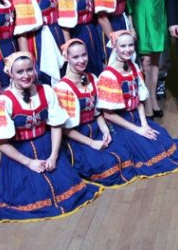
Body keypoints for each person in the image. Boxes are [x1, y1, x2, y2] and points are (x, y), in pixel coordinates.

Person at [0, 52, 102, 221]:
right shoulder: (4, 101)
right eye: (20, 72)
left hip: (46, 145)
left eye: (29, 70)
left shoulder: (46, 91)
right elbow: (1, 143)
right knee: (33, 191)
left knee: (65, 184)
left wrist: (54, 156)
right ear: (10, 74)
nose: (26, 75)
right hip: (18, 153)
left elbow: (56, 126)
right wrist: (29, 163)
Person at [97, 30, 178, 176]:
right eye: (123, 46)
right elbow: (109, 115)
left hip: (134, 117)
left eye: (131, 45)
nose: (128, 49)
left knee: (160, 139)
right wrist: (137, 129)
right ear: (115, 47)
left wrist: (144, 124)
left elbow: (139, 101)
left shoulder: (134, 68)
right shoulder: (108, 76)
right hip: (119, 123)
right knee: (147, 151)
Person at [54, 39, 135, 186]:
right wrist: (91, 143)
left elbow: (97, 113)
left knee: (124, 156)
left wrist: (105, 131)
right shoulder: (62, 88)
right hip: (78, 136)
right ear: (67, 58)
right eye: (76, 57)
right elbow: (65, 129)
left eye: (84, 55)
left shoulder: (93, 78)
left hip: (97, 129)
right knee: (105, 166)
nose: (82, 60)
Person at [125, 0, 168, 117]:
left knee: (157, 57)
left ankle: (154, 98)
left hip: (160, 13)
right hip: (141, 13)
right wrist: (131, 23)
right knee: (146, 59)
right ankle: (147, 101)